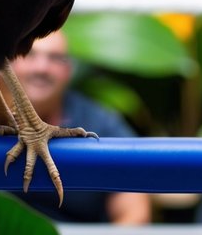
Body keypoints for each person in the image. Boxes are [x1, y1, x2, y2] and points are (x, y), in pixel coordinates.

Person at [11, 30, 151, 224]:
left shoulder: (97, 123)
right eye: (29, 54)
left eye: (55, 58)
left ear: (68, 71)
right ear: (10, 64)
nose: (41, 67)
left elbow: (134, 210)